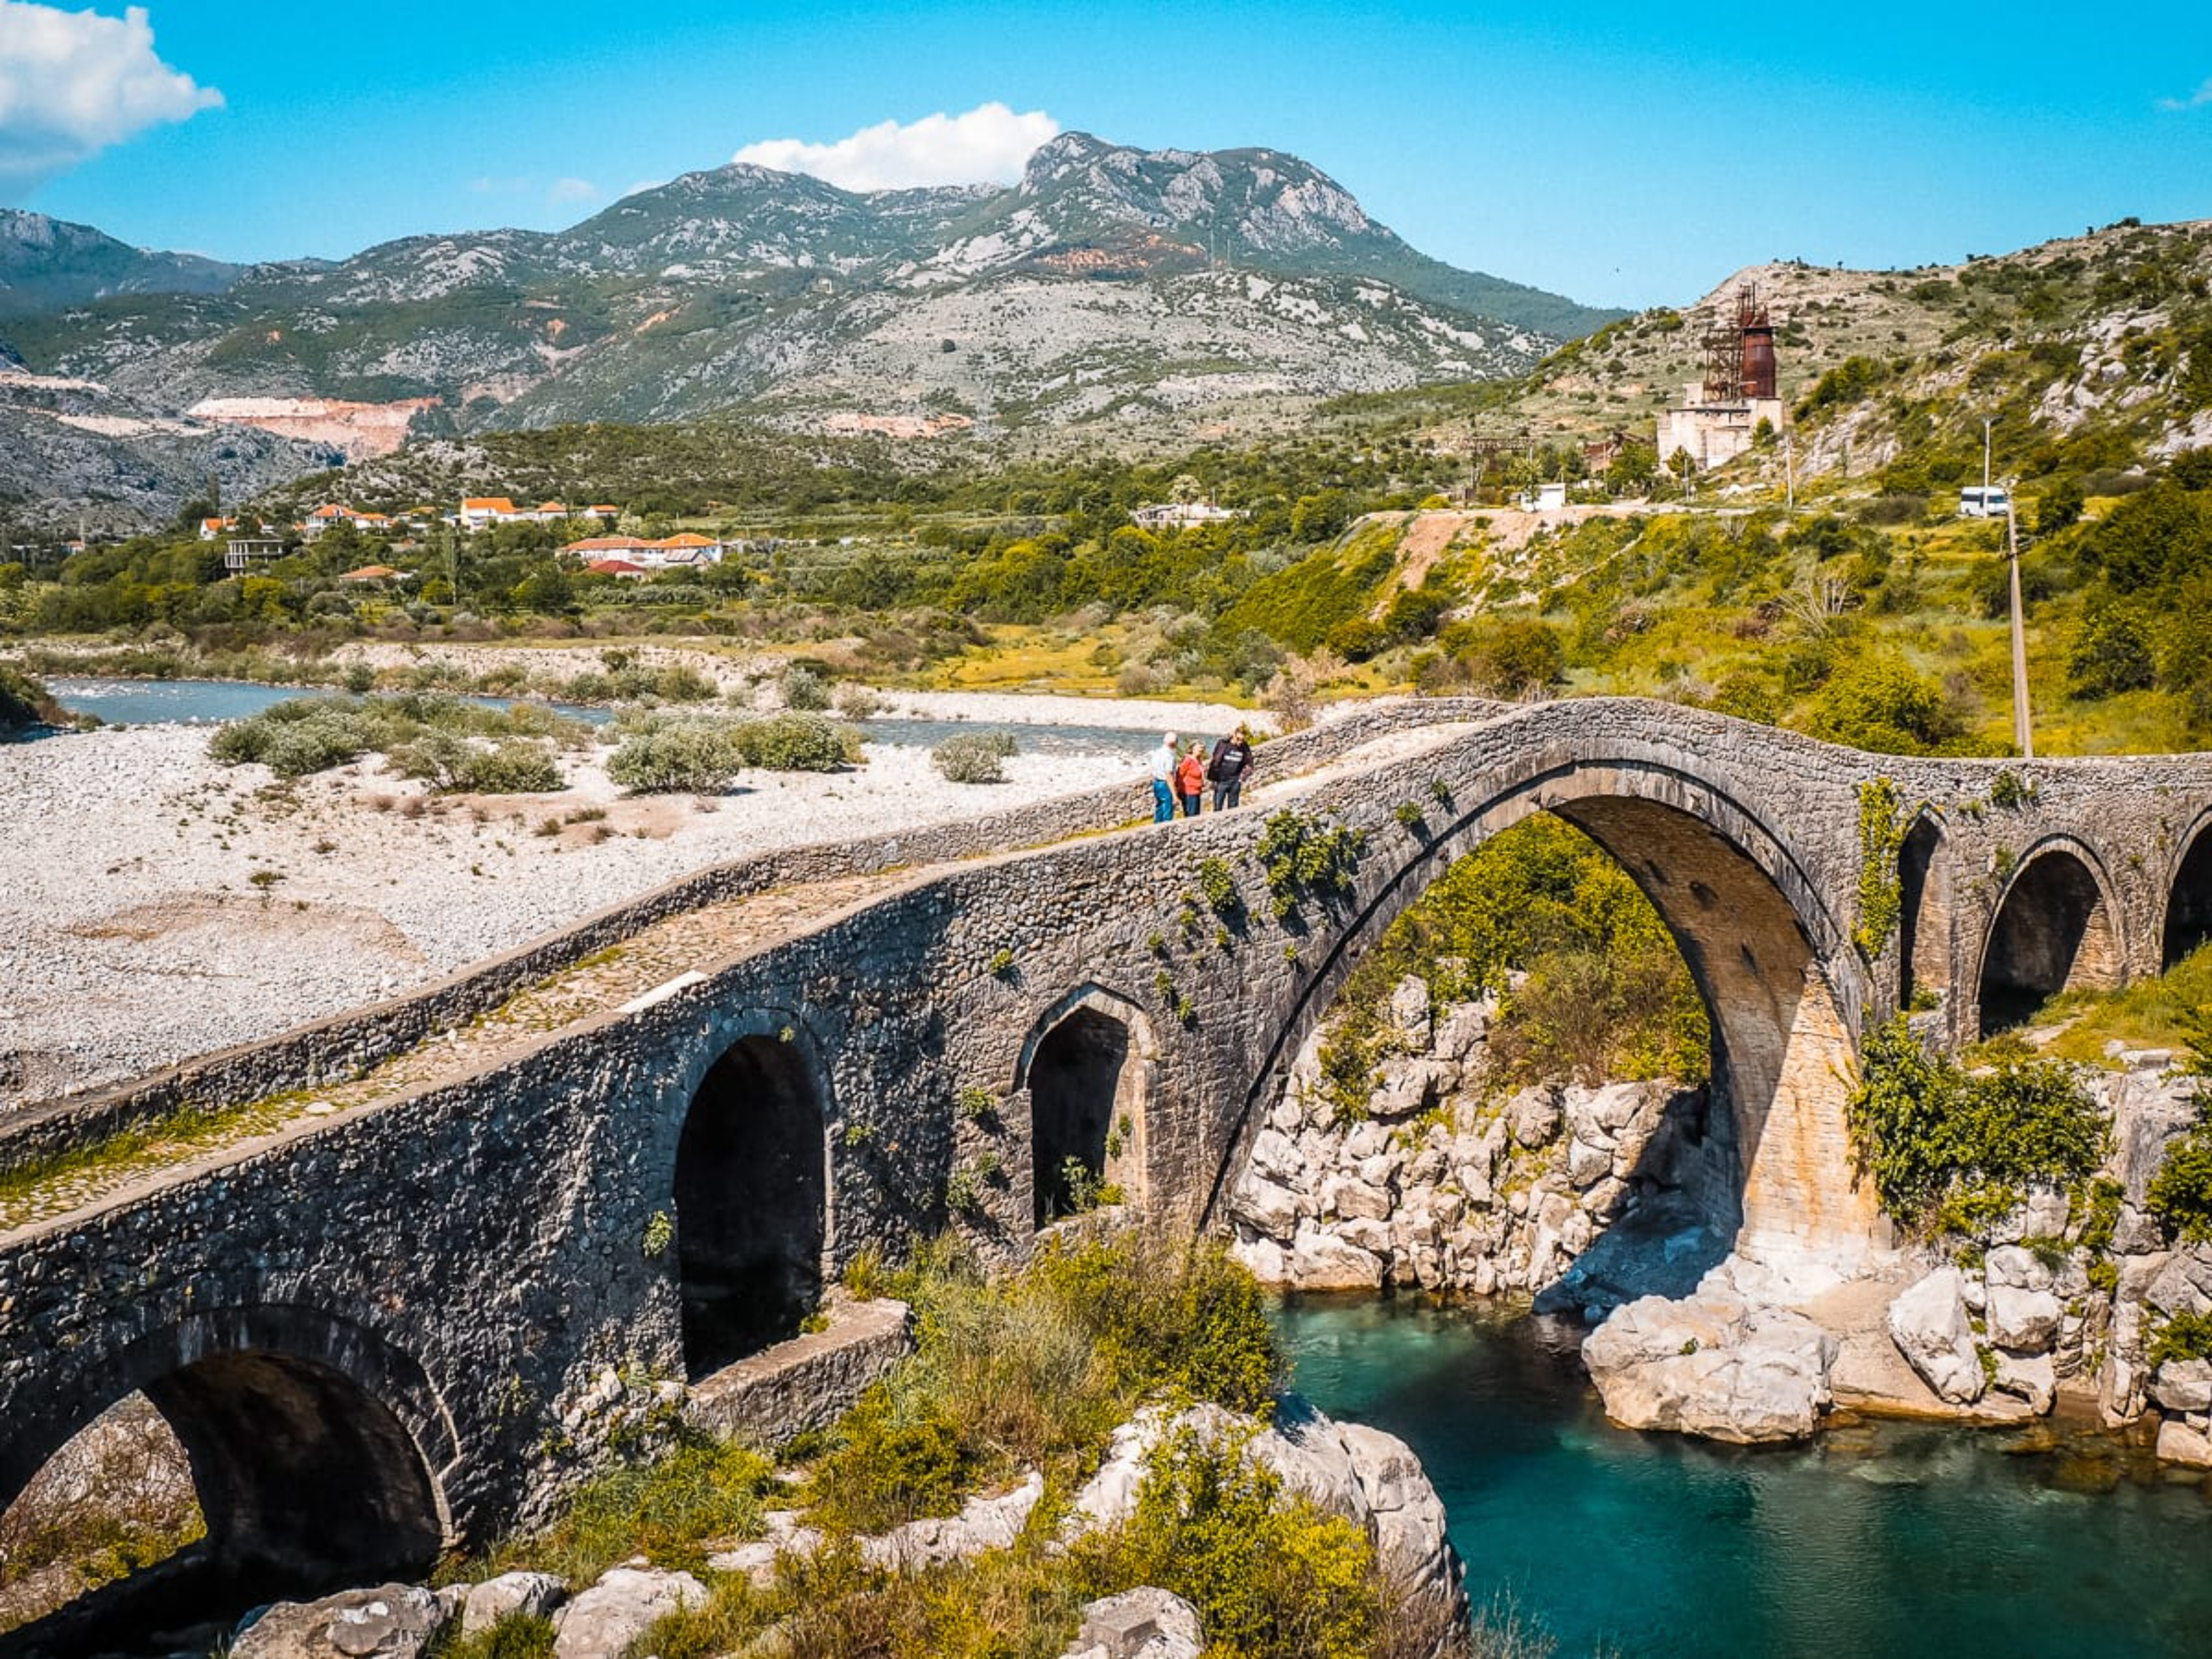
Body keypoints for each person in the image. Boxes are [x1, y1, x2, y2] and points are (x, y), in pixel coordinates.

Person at [1208, 723, 1256, 811]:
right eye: (1238, 739)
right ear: (1234, 735)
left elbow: (1250, 763)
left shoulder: (1244, 747)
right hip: (1221, 781)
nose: (1240, 742)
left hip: (1235, 781)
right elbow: (1215, 762)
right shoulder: (1223, 744)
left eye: (1242, 740)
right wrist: (1213, 780)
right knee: (1218, 807)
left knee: (1233, 808)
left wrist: (1242, 778)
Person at [1150, 732, 1178, 823]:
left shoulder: (1157, 752)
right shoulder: (1169, 756)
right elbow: (1169, 775)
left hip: (1157, 783)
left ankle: (1155, 828)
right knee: (1167, 811)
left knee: (1159, 808)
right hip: (1166, 784)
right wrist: (1175, 795)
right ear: (1175, 743)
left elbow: (1153, 770)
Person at [1177, 740, 1207, 817]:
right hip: (1189, 792)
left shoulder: (1198, 760)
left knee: (1196, 815)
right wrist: (1180, 791)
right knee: (1191, 816)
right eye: (1199, 748)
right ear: (1192, 749)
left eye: (1202, 749)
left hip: (1197, 791)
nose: (1201, 750)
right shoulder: (1187, 760)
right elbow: (1179, 775)